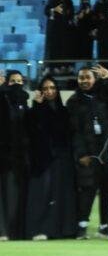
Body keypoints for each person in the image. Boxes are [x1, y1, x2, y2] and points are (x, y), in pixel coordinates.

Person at [67, 64, 108, 239]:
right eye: (81, 78)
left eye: (87, 77)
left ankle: (105, 226)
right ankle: (81, 226)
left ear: (95, 79)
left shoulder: (104, 93)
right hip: (88, 154)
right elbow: (74, 131)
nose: (84, 81)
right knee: (87, 189)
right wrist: (81, 154)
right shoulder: (73, 101)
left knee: (107, 189)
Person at [25, 77, 78, 240]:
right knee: (43, 195)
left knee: (63, 195)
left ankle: (64, 230)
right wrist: (38, 106)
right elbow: (33, 131)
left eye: (52, 88)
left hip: (63, 159)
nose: (49, 91)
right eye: (46, 88)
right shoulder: (34, 111)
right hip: (43, 160)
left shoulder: (64, 111)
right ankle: (41, 229)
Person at [0, 72, 30, 240]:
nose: (17, 84)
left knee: (15, 196)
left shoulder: (23, 103)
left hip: (20, 159)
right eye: (13, 81)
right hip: (4, 157)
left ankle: (14, 231)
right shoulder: (3, 101)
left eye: (19, 81)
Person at [44, 0, 76, 75]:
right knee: (54, 50)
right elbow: (46, 10)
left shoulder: (69, 1)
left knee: (65, 50)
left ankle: (65, 69)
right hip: (54, 30)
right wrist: (54, 10)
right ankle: (52, 69)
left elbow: (71, 15)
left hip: (65, 31)